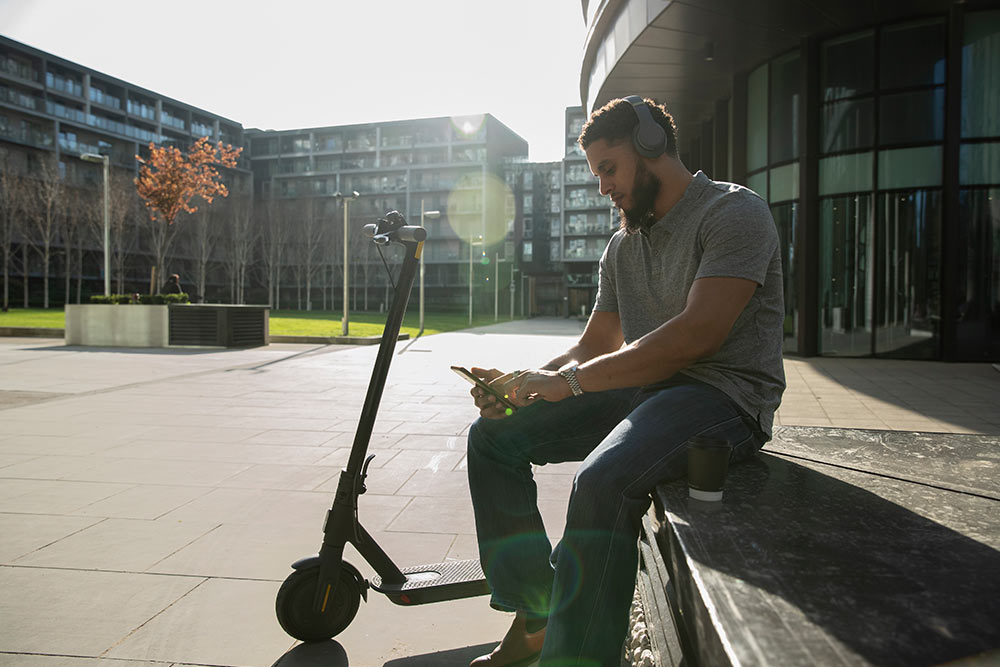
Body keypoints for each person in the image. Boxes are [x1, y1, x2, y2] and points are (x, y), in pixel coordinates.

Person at [465, 97, 785, 667]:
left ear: (651, 147)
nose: (603, 188)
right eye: (596, 175)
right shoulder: (621, 244)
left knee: (603, 481)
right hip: (647, 389)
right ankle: (537, 611)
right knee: (492, 438)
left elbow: (697, 338)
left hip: (723, 397)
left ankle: (576, 659)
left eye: (609, 169)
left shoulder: (733, 213)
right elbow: (593, 347)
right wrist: (525, 383)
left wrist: (576, 382)